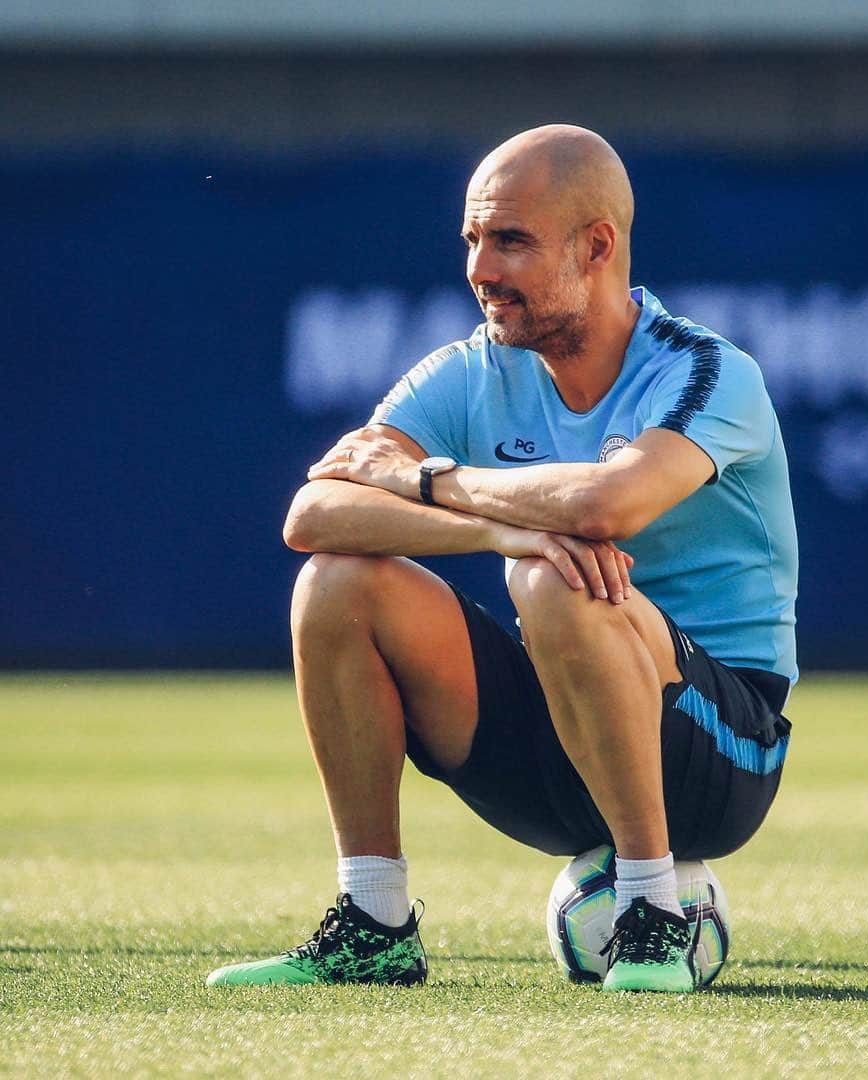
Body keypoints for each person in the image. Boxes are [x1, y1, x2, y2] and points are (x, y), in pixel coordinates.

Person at [206, 124, 798, 994]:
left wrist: (431, 483)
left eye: (510, 240)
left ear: (598, 246)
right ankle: (373, 922)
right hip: (561, 729)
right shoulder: (469, 369)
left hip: (719, 759)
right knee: (337, 580)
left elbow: (608, 505)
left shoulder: (709, 370)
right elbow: (314, 511)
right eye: (472, 239)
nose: (481, 268)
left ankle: (653, 914)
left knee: (556, 574)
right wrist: (496, 529)